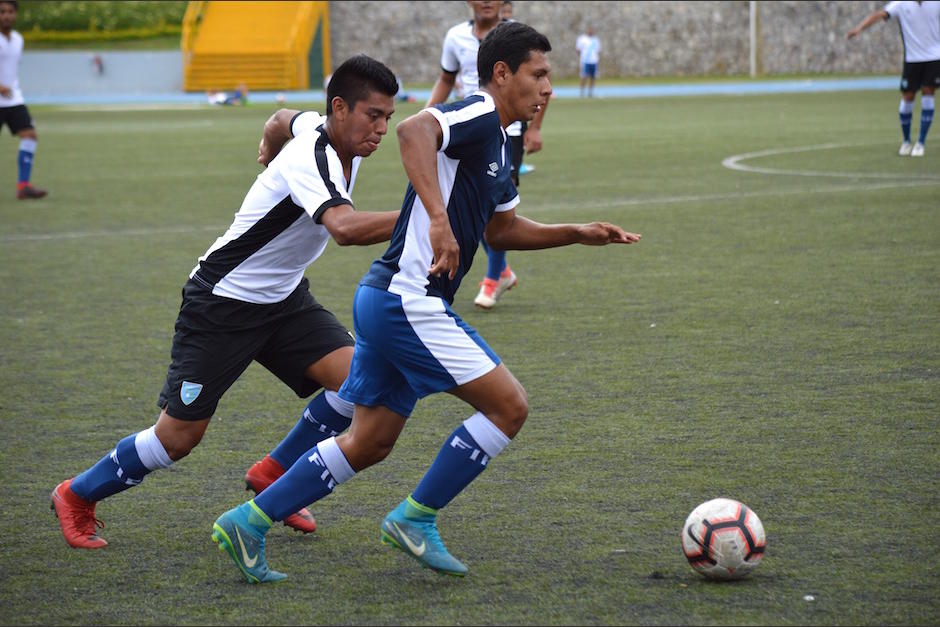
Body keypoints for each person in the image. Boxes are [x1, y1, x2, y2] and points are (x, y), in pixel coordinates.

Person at [211, 21, 641, 583]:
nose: (548, 89)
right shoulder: (480, 112)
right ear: (503, 74)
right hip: (408, 301)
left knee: (369, 442)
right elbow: (414, 131)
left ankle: (248, 521)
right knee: (508, 407)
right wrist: (437, 222)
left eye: (550, 77)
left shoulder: (504, 140)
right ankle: (416, 518)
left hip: (389, 299)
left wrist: (575, 232)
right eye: (539, 75)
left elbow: (502, 229)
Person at [51, 55, 402, 550]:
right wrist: (427, 211)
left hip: (285, 300)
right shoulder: (313, 155)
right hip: (222, 303)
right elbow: (343, 229)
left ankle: (272, 473)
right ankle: (76, 494)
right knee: (178, 438)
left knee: (360, 383)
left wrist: (266, 143)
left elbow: (282, 119)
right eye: (374, 115)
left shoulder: (334, 133)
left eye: (389, 116)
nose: (383, 128)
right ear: (340, 109)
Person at [426, 0, 550, 310]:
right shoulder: (455, 37)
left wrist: (534, 128)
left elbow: (541, 83)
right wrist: (429, 115)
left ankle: (493, 278)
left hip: (508, 132)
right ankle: (503, 271)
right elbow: (445, 78)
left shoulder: (517, 38)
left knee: (493, 211)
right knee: (477, 210)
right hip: (466, 130)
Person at [846, 1, 939, 157]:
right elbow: (880, 15)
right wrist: (859, 29)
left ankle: (921, 142)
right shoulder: (901, 4)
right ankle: (907, 141)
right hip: (912, 59)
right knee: (907, 97)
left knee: (928, 94)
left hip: (934, 57)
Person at [0, 0, 47, 199]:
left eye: (10, 11)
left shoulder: (18, 39)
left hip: (13, 99)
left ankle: (23, 186)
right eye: (2, 12)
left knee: (29, 135)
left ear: (16, 14)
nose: (6, 15)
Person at [576, 25, 601, 98]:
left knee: (593, 77)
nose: (591, 32)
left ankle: (590, 93)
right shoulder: (582, 39)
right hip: (585, 61)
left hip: (594, 61)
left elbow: (599, 50)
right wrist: (583, 57)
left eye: (592, 30)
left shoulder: (596, 40)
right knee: (584, 76)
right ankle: (582, 92)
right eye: (589, 30)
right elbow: (578, 50)